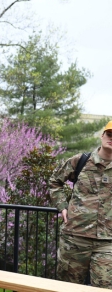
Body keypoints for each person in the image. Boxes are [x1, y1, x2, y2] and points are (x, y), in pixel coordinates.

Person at [49, 120, 112, 289]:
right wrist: (62, 205)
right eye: (109, 134)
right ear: (103, 135)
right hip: (74, 238)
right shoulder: (81, 161)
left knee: (105, 288)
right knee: (68, 287)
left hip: (107, 243)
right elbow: (55, 182)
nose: (111, 138)